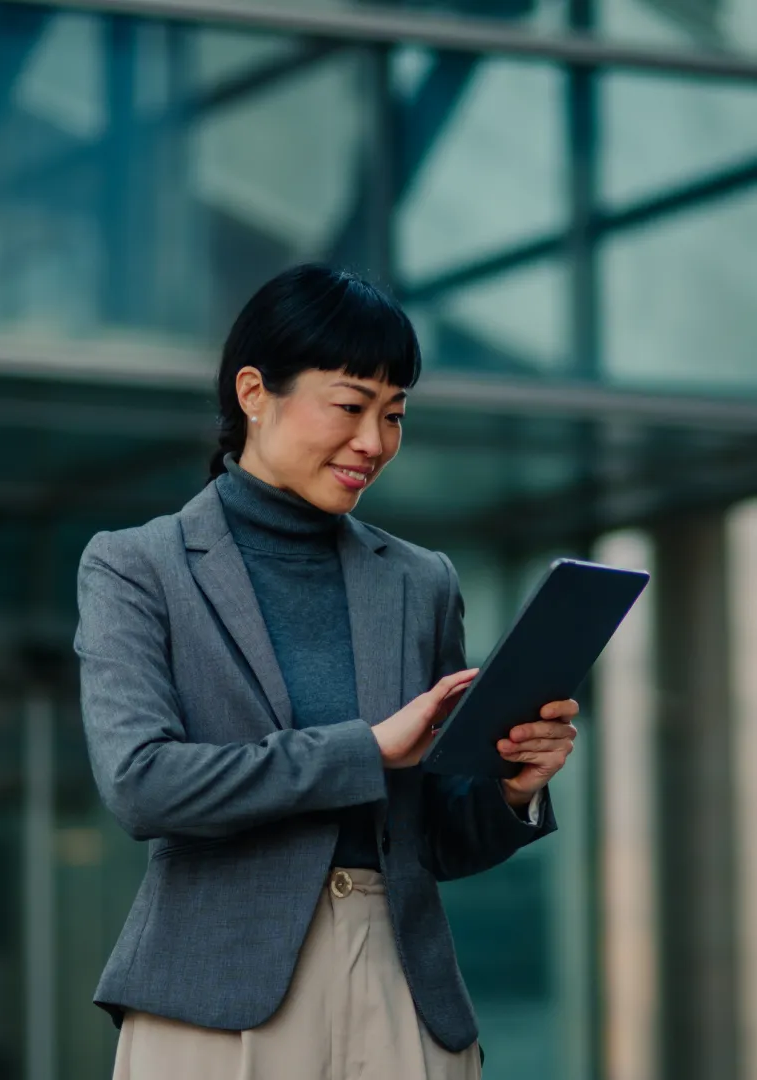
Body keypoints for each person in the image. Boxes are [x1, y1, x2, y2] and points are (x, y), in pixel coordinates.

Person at [74, 264, 578, 1080]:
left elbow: (433, 837)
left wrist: (512, 786)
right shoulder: (138, 567)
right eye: (349, 406)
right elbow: (142, 783)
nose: (373, 442)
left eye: (394, 415)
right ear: (253, 392)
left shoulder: (422, 582)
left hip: (401, 987)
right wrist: (366, 750)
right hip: (215, 999)